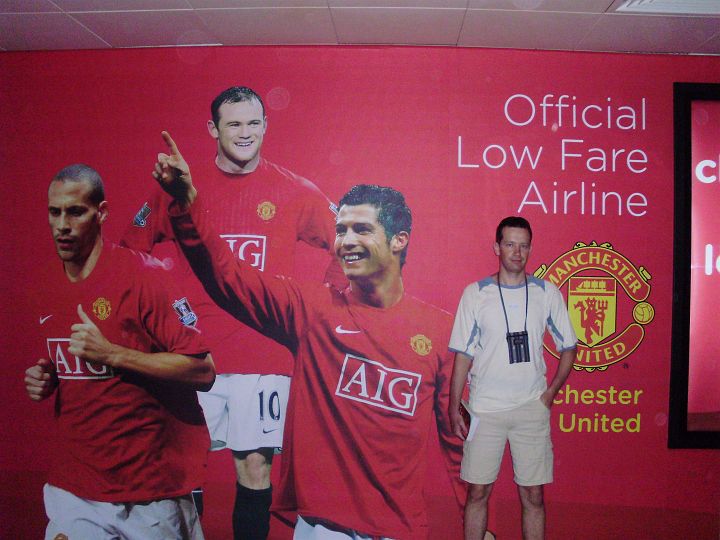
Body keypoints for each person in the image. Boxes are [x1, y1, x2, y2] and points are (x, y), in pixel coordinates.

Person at [149, 131, 464, 539]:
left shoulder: (440, 331)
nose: (346, 241)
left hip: (400, 530)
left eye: (362, 229)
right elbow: (227, 276)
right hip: (321, 528)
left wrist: (480, 522)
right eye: (341, 229)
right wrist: (186, 203)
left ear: (399, 241)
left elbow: (459, 440)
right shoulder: (312, 310)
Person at [121, 86, 344, 539]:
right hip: (192, 355)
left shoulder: (294, 190)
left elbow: (350, 241)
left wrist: (322, 302)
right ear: (213, 129)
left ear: (266, 126)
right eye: (234, 124)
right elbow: (128, 253)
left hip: (262, 357)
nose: (246, 133)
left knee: (255, 468)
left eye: (254, 123)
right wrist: (163, 309)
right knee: (183, 470)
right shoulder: (180, 188)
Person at [25, 164, 215, 540]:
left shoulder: (145, 276)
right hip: (76, 486)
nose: (62, 225)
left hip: (152, 491)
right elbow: (74, 367)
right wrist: (45, 379)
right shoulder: (45, 284)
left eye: (75, 212)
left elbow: (203, 371)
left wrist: (113, 354)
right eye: (54, 212)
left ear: (102, 213)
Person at [448, 216, 577, 540]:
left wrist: (549, 395)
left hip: (531, 409)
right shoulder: (476, 294)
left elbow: (569, 347)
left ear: (530, 249)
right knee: (477, 493)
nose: (517, 253)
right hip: (484, 409)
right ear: (497, 248)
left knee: (533, 496)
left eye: (523, 246)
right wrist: (454, 406)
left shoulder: (546, 293)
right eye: (510, 244)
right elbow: (463, 355)